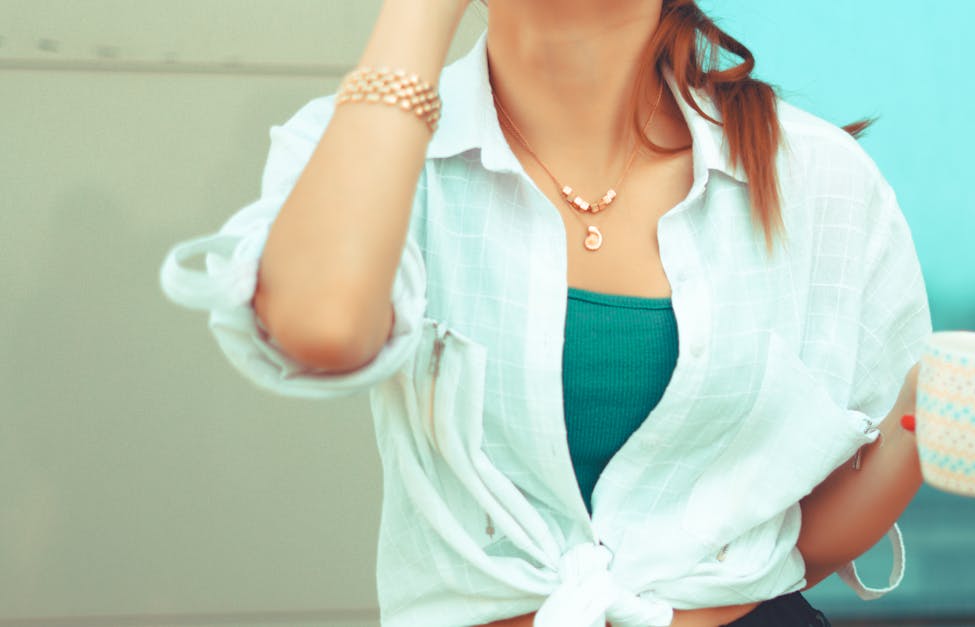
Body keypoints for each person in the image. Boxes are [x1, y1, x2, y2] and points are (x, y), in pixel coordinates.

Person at [158, 0, 931, 625]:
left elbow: (797, 536)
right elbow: (322, 327)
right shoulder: (366, 147)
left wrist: (925, 422)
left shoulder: (820, 178)